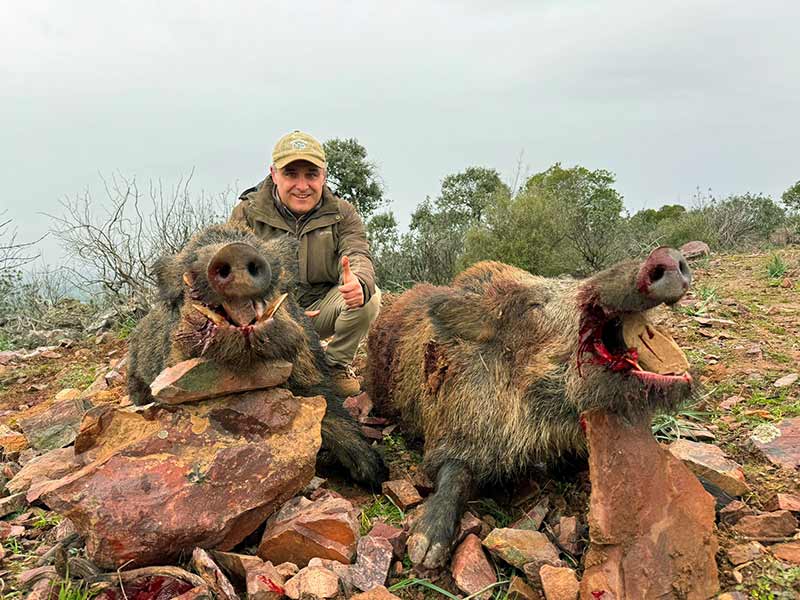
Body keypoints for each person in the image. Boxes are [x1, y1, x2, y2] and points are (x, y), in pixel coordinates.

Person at [229, 130, 380, 397]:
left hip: (321, 310)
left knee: (370, 297)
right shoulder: (247, 212)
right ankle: (266, 370)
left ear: (323, 175)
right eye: (291, 174)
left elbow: (357, 253)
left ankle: (334, 367)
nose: (302, 185)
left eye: (311, 174)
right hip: (272, 314)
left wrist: (359, 281)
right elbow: (237, 275)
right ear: (274, 174)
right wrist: (280, 311)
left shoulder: (342, 213)